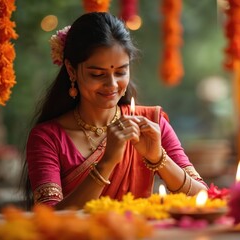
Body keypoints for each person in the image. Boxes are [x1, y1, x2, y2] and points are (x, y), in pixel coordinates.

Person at [24, 12, 207, 210]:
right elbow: (48, 217)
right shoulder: (47, 138)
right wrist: (107, 162)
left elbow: (204, 197)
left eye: (120, 72)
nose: (111, 84)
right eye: (97, 74)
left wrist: (158, 158)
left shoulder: (151, 123)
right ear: (71, 70)